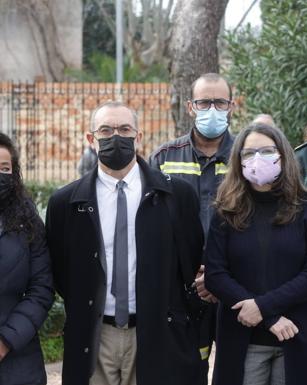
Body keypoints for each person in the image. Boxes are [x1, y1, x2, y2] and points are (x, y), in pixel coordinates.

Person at [46, 101, 205, 385]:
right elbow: (60, 270)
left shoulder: (175, 196)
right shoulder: (65, 203)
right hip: (96, 335)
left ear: (138, 137)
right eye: (105, 130)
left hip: (156, 330)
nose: (115, 137)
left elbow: (188, 259)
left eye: (124, 129)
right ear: (91, 139)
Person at [204, 123, 307, 385]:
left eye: (266, 150)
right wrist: (269, 317)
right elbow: (216, 275)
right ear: (237, 160)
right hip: (242, 337)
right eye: (248, 153)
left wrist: (262, 307)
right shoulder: (225, 210)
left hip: (295, 334)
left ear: (283, 154)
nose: (257, 159)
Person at [149, 73, 235, 374]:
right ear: (190, 107)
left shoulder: (245, 158)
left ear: (231, 107)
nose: (212, 109)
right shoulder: (163, 158)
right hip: (182, 291)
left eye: (219, 102)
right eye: (204, 102)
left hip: (236, 286)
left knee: (235, 371)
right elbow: (151, 225)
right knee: (187, 370)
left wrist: (218, 275)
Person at [0, 133, 54, 385]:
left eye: (5, 168)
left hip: (18, 358)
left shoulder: (27, 219)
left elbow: (41, 288)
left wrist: (6, 341)